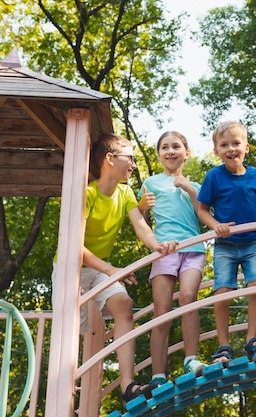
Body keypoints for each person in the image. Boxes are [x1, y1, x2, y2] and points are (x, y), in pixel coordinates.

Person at [51, 132, 176, 403]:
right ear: (110, 159)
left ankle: (127, 385)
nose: (132, 164)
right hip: (70, 269)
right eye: (128, 158)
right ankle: (66, 398)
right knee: (74, 334)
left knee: (124, 304)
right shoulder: (87, 194)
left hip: (99, 270)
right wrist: (111, 270)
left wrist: (157, 245)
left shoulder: (125, 192)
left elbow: (141, 226)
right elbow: (75, 247)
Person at [197, 120, 256, 363]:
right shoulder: (214, 176)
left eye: (235, 143)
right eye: (224, 145)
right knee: (222, 291)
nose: (230, 149)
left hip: (252, 243)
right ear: (216, 151)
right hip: (225, 245)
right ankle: (224, 346)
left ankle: (252, 339)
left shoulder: (255, 175)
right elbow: (202, 209)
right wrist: (215, 224)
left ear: (246, 147)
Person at [138, 131, 206, 385]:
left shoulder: (197, 187)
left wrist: (190, 189)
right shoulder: (150, 182)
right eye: (165, 147)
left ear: (186, 153)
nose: (170, 151)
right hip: (164, 250)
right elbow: (139, 220)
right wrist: (142, 206)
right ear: (158, 154)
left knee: (189, 297)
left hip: (193, 248)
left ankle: (191, 359)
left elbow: (203, 215)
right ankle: (158, 374)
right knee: (162, 311)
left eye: (176, 146)